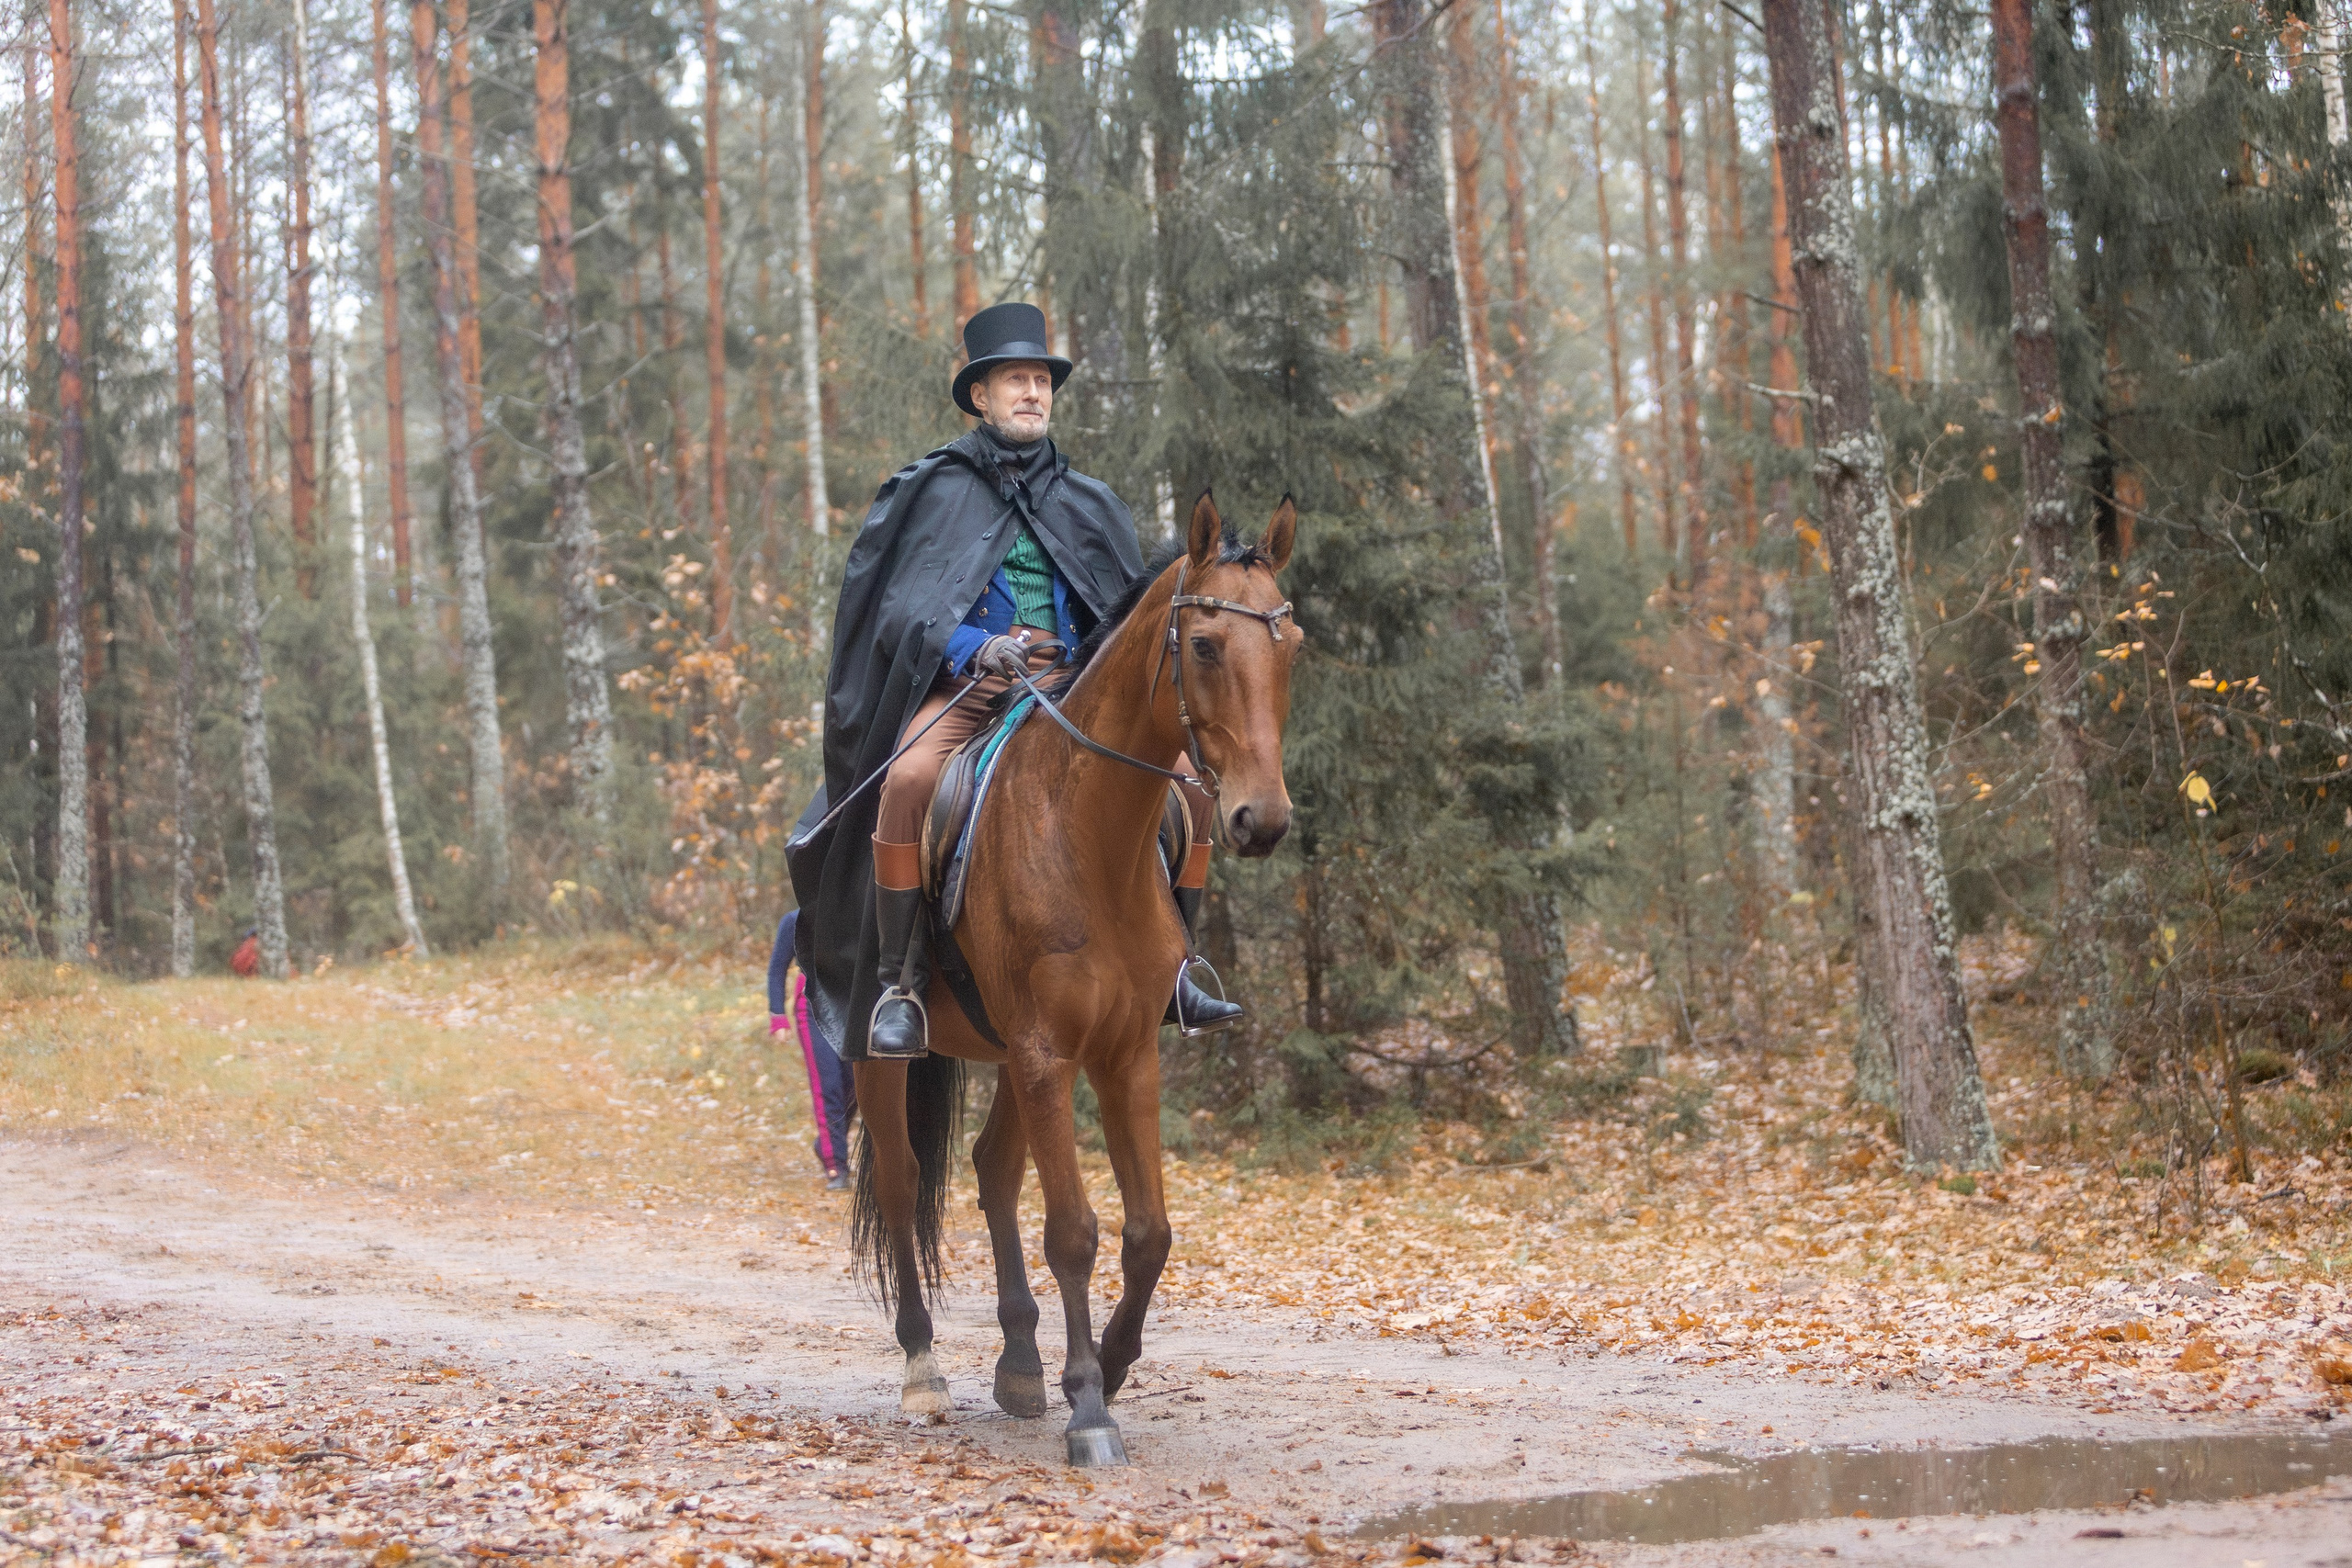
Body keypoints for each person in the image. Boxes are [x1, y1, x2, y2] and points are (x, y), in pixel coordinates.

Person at [786, 300, 1242, 1062]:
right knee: (909, 780)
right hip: (970, 688)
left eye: (1041, 381)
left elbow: (1125, 619)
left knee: (1192, 786)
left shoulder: (1088, 501)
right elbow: (901, 609)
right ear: (980, 395)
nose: (1032, 393)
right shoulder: (932, 491)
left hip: (1070, 690)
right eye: (1015, 381)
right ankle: (901, 984)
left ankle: (1179, 968)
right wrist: (976, 646)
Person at [769, 908, 854, 1190]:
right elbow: (777, 969)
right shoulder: (794, 921)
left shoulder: (853, 913)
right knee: (828, 1085)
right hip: (812, 1009)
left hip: (851, 1008)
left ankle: (827, 1142)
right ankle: (835, 1165)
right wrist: (778, 1017)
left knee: (855, 1085)